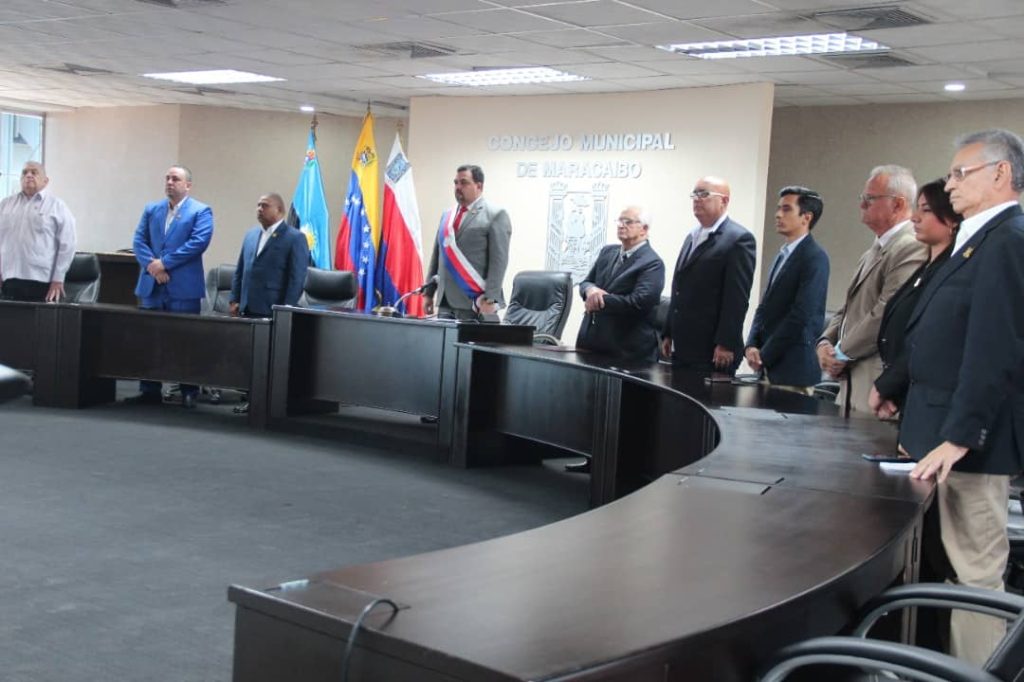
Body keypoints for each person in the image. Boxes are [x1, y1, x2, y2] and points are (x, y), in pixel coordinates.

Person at [875, 130, 1024, 665]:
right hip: (935, 432)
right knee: (943, 567)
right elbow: (944, 334)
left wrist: (959, 437)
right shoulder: (977, 238)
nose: (951, 183)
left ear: (1001, 174)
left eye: (962, 173)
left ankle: (976, 673)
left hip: (967, 447)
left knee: (976, 575)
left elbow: (995, 350)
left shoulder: (1009, 239)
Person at [817, 165, 927, 416]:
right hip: (850, 383)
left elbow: (886, 311)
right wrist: (824, 343)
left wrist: (841, 352)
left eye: (869, 199)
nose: (861, 205)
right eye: (862, 198)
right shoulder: (872, 251)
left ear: (898, 204)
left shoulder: (911, 246)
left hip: (873, 384)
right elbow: (848, 308)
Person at [126, 165, 213, 409]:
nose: (169, 182)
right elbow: (139, 240)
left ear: (188, 185)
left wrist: (164, 263)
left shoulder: (201, 211)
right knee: (149, 341)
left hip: (183, 288)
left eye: (175, 178)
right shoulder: (152, 209)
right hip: (152, 286)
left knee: (185, 341)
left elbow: (198, 243)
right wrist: (153, 267)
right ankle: (149, 390)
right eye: (167, 178)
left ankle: (188, 391)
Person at [870, 179, 960, 413]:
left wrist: (889, 386)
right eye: (917, 208)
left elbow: (927, 336)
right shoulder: (926, 267)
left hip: (919, 395)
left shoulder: (950, 270)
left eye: (926, 210)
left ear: (951, 219)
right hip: (901, 390)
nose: (914, 218)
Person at [661, 176, 755, 372]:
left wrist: (726, 342)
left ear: (724, 201)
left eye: (704, 194)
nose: (697, 199)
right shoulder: (692, 236)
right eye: (695, 194)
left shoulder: (738, 239)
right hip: (683, 344)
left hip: (712, 349)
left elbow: (736, 298)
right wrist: (668, 332)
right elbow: (678, 288)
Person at [744, 186, 829, 391]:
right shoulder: (782, 254)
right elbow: (764, 307)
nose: (778, 214)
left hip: (793, 371)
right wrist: (751, 344)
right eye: (778, 208)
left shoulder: (815, 257)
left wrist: (765, 355)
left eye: (786, 209)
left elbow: (801, 315)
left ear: (806, 217)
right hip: (769, 367)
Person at [575, 206, 665, 363]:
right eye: (620, 221)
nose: (621, 225)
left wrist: (599, 300)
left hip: (627, 348)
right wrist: (590, 290)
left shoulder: (652, 263)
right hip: (592, 341)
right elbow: (586, 282)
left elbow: (639, 302)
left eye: (628, 222)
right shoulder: (607, 252)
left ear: (644, 229)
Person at [424, 165, 511, 321]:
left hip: (474, 302)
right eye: (456, 183)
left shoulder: (495, 214)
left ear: (479, 186)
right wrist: (428, 293)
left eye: (464, 183)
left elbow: (499, 262)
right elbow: (437, 256)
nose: (458, 187)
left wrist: (490, 299)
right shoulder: (447, 216)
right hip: (445, 301)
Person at [0, 162, 76, 302]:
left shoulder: (57, 206)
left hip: (42, 282)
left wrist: (58, 279)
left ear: (45, 181)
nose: (28, 175)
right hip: (9, 279)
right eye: (25, 172)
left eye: (34, 172)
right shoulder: (6, 204)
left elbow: (67, 245)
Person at [229, 193, 309, 318]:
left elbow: (297, 277)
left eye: (265, 206)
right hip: (245, 307)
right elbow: (240, 270)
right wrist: (234, 299)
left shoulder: (295, 237)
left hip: (272, 308)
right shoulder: (251, 235)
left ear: (279, 210)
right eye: (258, 205)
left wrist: (287, 308)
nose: (260, 209)